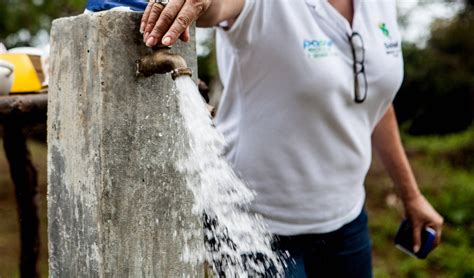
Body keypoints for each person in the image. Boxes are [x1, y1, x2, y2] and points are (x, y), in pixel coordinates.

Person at [140, 0, 444, 276]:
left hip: (347, 220)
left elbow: (372, 100)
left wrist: (411, 195)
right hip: (252, 228)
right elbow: (217, 7)